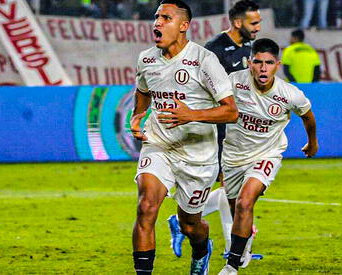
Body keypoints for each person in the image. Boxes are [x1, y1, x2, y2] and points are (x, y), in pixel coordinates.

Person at [129, 1, 239, 274]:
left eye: (165, 18)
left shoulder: (204, 60)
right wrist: (137, 115)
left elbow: (231, 111)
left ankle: (202, 250)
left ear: (183, 26)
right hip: (160, 144)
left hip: (198, 156)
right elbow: (143, 88)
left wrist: (192, 114)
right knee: (146, 207)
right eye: (156, 17)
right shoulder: (146, 58)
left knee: (191, 224)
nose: (157, 23)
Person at [167, 0, 264, 265]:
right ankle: (235, 251)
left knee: (239, 190)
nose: (258, 27)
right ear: (237, 22)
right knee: (232, 189)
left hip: (246, 132)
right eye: (253, 22)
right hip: (222, 131)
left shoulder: (251, 49)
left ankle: (179, 221)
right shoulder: (214, 50)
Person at [217, 38, 318, 274]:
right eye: (258, 62)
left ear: (278, 64)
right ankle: (246, 240)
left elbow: (308, 116)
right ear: (249, 63)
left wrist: (312, 142)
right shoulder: (233, 82)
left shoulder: (289, 94)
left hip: (267, 154)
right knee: (237, 209)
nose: (263, 68)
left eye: (269, 63)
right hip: (233, 155)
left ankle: (231, 267)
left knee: (245, 202)